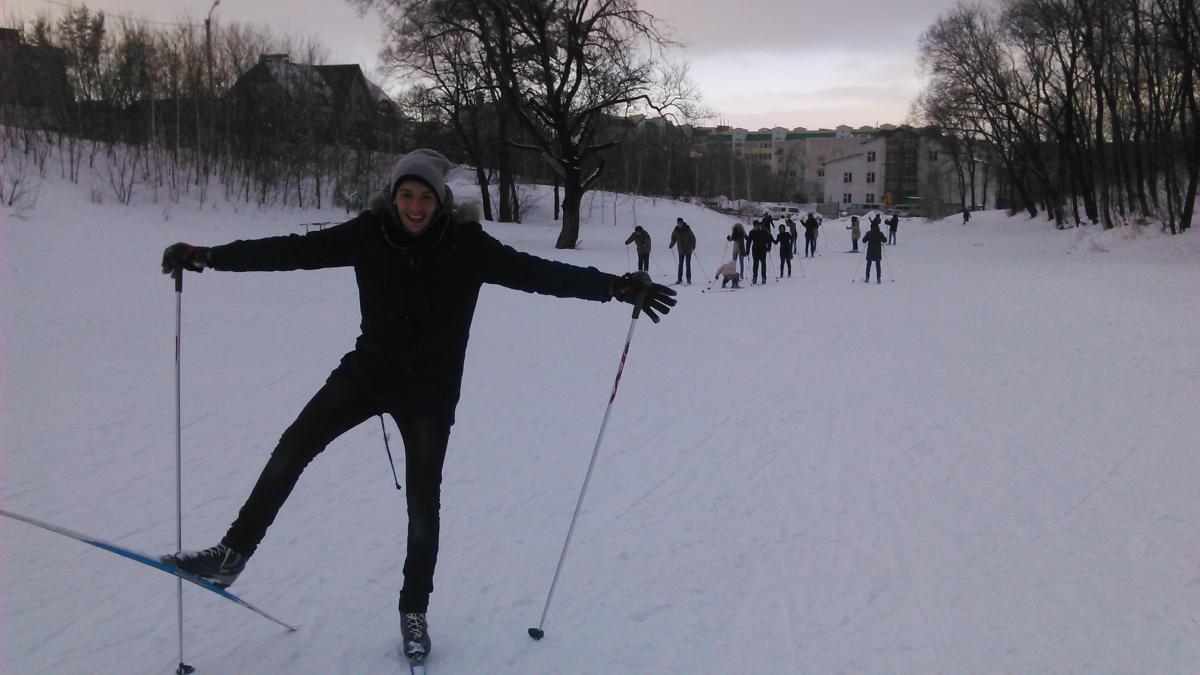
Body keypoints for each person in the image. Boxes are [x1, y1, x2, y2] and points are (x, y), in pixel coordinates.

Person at [157, 149, 676, 663]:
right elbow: (291, 251)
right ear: (394, 195)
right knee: (292, 448)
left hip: (429, 393)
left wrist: (613, 286)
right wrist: (209, 255)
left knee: (423, 507)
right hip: (367, 374)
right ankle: (232, 554)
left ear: (440, 200)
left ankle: (414, 612)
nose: (414, 206)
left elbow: (539, 273)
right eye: (406, 194)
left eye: (425, 197)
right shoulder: (368, 233)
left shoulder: (466, 246)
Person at [668, 217, 697, 285]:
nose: (679, 224)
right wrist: (671, 244)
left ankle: (688, 279)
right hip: (681, 250)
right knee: (680, 265)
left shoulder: (687, 229)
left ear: (682, 223)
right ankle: (679, 279)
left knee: (687, 265)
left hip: (688, 249)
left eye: (680, 223)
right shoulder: (676, 230)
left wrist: (693, 246)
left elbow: (693, 238)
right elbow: (673, 238)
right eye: (678, 223)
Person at [746, 220, 773, 285]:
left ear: (759, 225)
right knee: (755, 264)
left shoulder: (763, 232)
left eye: (757, 225)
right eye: (755, 225)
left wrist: (769, 247)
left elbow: (769, 239)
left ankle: (764, 277)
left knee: (763, 264)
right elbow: (748, 242)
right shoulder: (752, 232)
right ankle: (755, 277)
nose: (756, 226)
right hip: (755, 250)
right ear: (754, 226)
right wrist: (747, 250)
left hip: (763, 250)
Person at [862, 219, 887, 283]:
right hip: (877, 251)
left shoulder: (869, 233)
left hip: (870, 251)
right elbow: (885, 240)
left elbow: (863, 240)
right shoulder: (880, 233)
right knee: (878, 265)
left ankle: (867, 277)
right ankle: (878, 278)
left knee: (868, 265)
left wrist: (866, 237)